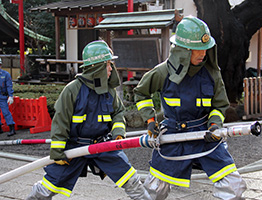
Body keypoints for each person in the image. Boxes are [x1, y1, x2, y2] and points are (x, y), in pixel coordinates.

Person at [133, 16, 246, 200]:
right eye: (198, 49)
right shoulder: (163, 72)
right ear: (184, 50)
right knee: (154, 190)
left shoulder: (212, 74)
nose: (203, 53)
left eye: (205, 48)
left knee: (233, 185)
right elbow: (141, 93)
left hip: (205, 135)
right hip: (172, 135)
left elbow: (220, 104)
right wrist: (150, 120)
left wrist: (215, 125)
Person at [26, 40, 151, 200]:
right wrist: (57, 151)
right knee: (49, 186)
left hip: (102, 145)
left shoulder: (109, 92)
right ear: (97, 67)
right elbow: (60, 122)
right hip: (74, 147)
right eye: (108, 64)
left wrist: (118, 132)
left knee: (131, 180)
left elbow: (118, 112)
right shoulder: (72, 90)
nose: (111, 69)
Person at [0, 58, 16, 137]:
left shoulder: (5, 74)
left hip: (2, 96)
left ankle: (12, 128)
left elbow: (9, 86)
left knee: (6, 112)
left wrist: (10, 96)